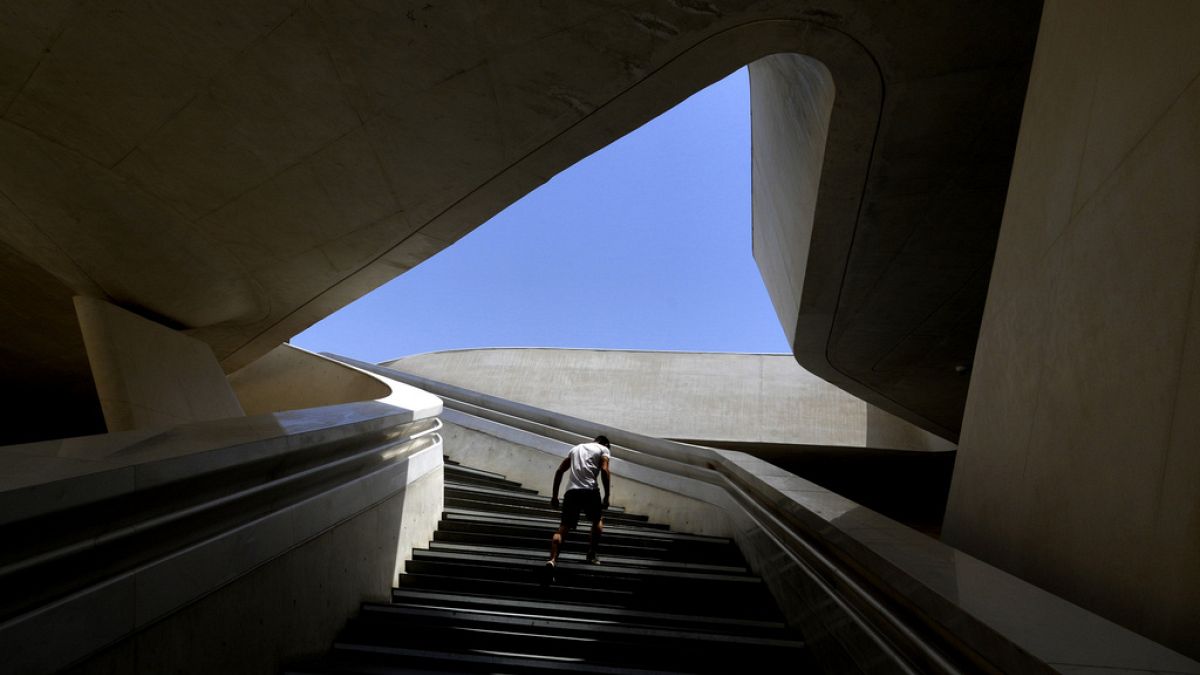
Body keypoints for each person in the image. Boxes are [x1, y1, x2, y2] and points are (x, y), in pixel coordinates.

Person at [546, 435, 611, 569]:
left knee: (563, 527)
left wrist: (554, 496)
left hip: (571, 492)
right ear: (605, 444)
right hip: (590, 490)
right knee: (597, 520)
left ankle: (552, 560)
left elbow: (559, 471)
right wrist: (607, 496)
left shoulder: (575, 449)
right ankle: (591, 554)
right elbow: (604, 470)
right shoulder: (603, 449)